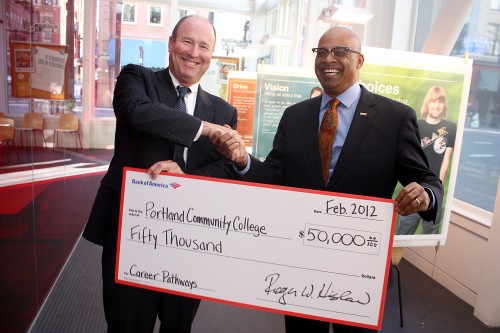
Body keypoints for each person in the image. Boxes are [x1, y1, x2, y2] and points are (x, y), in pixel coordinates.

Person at [212, 26, 443, 333]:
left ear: (359, 61)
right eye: (321, 52)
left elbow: (427, 179)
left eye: (339, 52)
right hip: (299, 263)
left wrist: (425, 194)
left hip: (358, 267)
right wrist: (243, 161)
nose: (327, 59)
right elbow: (275, 176)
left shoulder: (395, 117)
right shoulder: (295, 117)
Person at [83, 15, 239, 333]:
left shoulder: (225, 111)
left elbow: (225, 169)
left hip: (189, 243)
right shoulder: (137, 79)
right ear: (170, 43)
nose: (194, 52)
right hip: (132, 234)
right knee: (126, 325)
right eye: (186, 41)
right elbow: (136, 113)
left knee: (178, 327)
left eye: (203, 46)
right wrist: (204, 129)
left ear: (212, 54)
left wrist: (185, 176)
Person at [397, 86, 456, 235]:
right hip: (414, 190)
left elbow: (446, 159)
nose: (436, 106)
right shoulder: (415, 124)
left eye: (440, 102)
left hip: (434, 192)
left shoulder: (450, 127)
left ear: (444, 105)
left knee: (431, 233)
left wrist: (439, 188)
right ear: (427, 103)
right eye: (433, 101)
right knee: (402, 232)